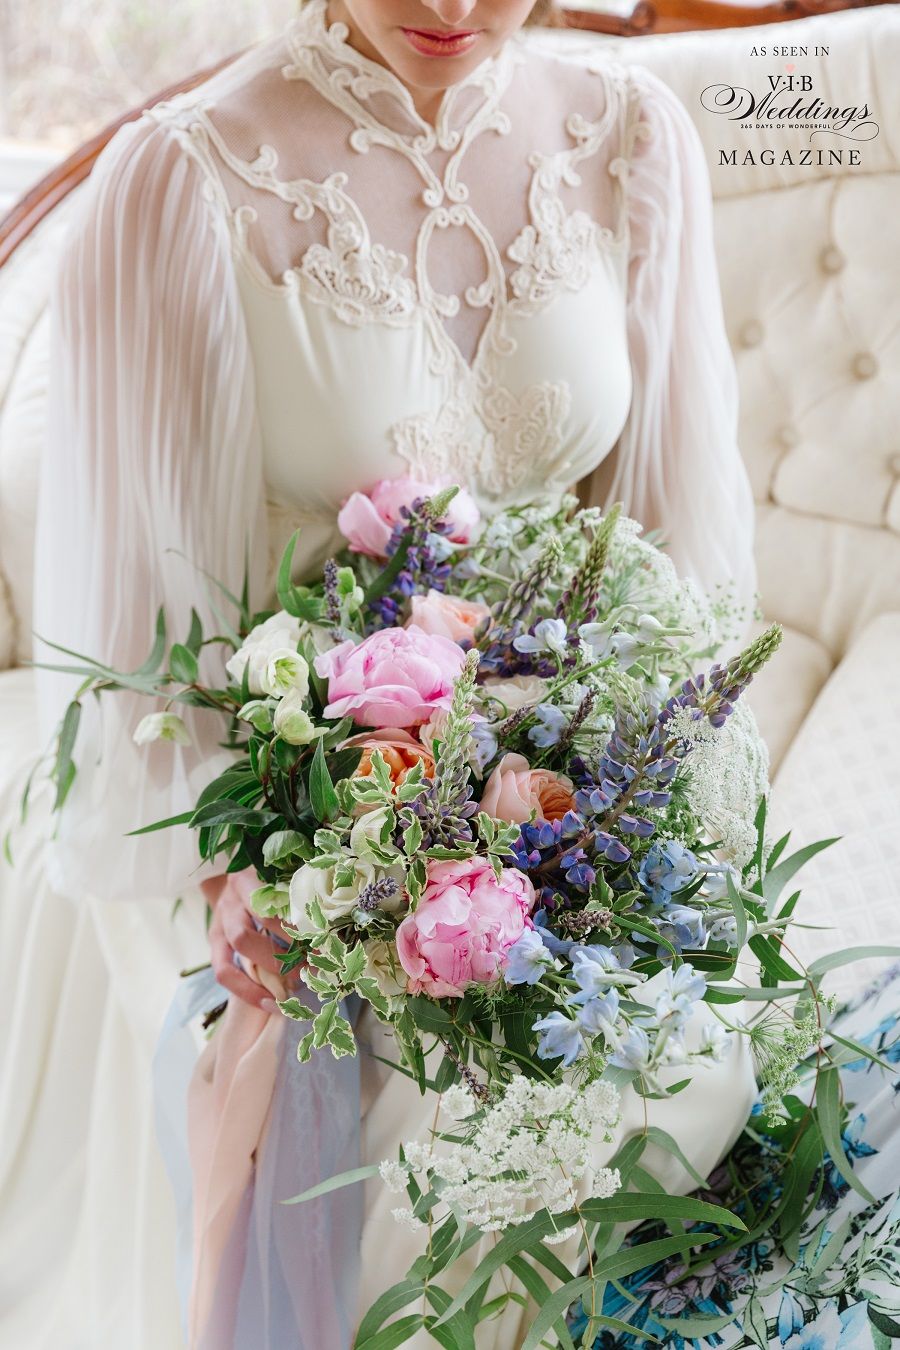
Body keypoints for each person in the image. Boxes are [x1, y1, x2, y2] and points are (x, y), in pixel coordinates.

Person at [0, 0, 769, 1345]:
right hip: (268, 811)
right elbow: (138, 669)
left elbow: (671, 566)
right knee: (419, 1126)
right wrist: (282, 865)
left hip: (547, 807)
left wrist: (630, 822)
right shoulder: (177, 187)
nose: (457, 8)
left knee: (682, 1059)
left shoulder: (632, 139)